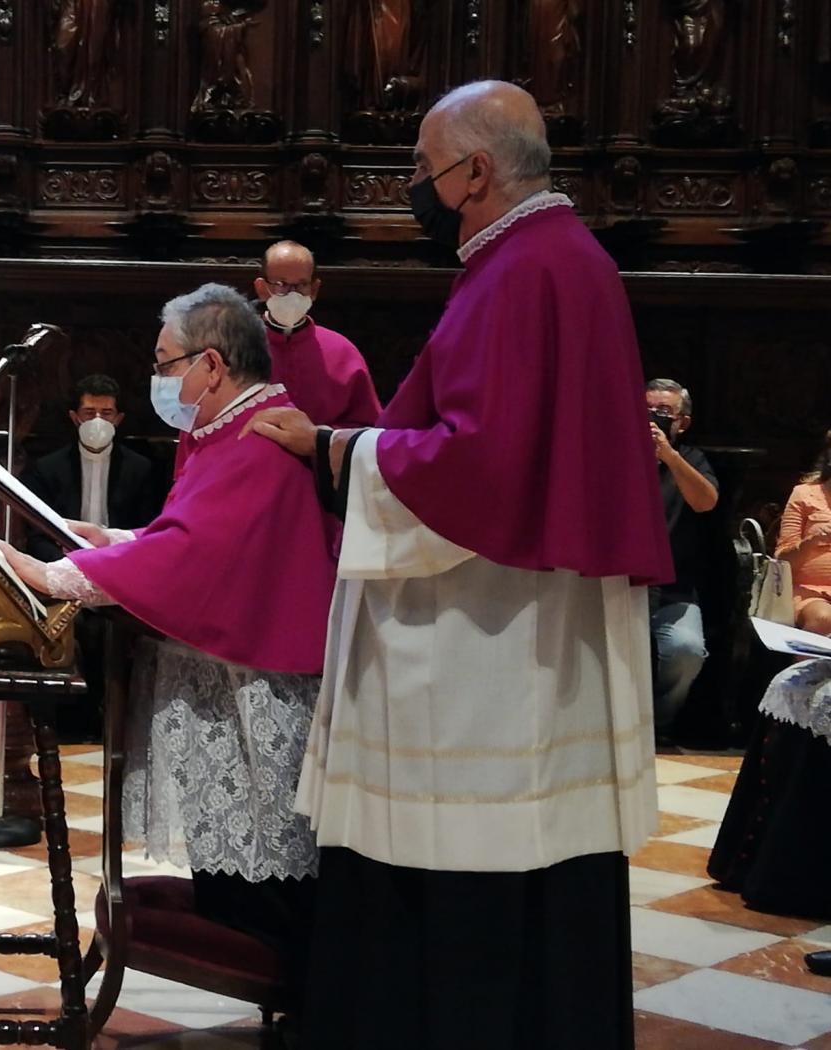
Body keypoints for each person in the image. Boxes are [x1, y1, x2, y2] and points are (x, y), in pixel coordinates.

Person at [246, 81, 672, 1049]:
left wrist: (334, 452)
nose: (413, 188)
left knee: (465, 854)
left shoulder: (524, 270)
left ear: (473, 172)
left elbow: (476, 463)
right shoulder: (549, 259)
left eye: (419, 170)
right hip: (525, 621)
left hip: (484, 635)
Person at [0, 283, 339, 994]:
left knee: (268, 876)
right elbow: (187, 536)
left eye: (164, 362)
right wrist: (117, 540)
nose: (157, 380)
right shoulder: (224, 429)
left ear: (210, 366)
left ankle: (297, 995)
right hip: (230, 672)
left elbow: (198, 558)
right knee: (232, 865)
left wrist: (58, 575)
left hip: (260, 683)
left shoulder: (260, 432)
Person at [173, 239, 382, 477]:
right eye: (281, 285)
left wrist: (316, 437)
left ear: (314, 289)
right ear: (262, 288)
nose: (291, 294)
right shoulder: (229, 348)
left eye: (301, 286)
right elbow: (196, 421)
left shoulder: (343, 352)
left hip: (318, 484)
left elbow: (368, 432)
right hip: (240, 478)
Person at [21, 374, 161, 563]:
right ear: (75, 417)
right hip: (65, 562)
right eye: (89, 412)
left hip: (121, 562)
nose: (98, 420)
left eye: (106, 413)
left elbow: (148, 530)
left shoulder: (140, 469)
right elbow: (38, 535)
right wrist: (65, 563)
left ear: (118, 419)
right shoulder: (47, 469)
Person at [647, 377, 720, 735]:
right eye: (646, 410)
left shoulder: (691, 459)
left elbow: (705, 501)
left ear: (682, 422)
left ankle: (657, 724)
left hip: (673, 589)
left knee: (687, 651)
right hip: (618, 587)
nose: (653, 418)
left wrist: (668, 456)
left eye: (663, 412)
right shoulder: (615, 455)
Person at [774, 430, 831, 634]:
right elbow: (782, 561)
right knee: (824, 618)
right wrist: (812, 541)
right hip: (810, 593)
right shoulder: (804, 494)